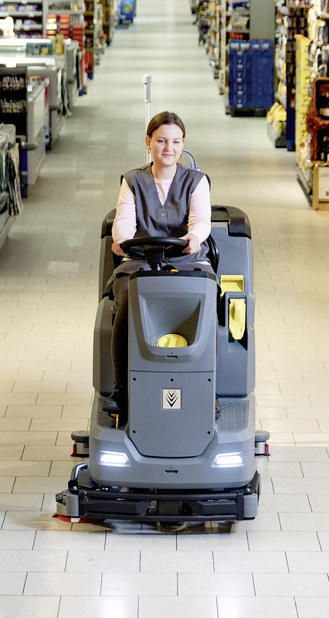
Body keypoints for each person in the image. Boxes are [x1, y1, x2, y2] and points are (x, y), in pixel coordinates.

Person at [105, 111, 213, 410]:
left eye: (176, 142)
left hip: (187, 260)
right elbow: (124, 220)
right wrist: (121, 240)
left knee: (208, 306)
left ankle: (210, 390)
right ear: (148, 143)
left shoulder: (196, 181)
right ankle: (121, 390)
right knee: (128, 300)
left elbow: (201, 220)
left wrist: (194, 237)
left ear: (183, 144)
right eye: (162, 141)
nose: (169, 148)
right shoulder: (133, 181)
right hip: (140, 261)